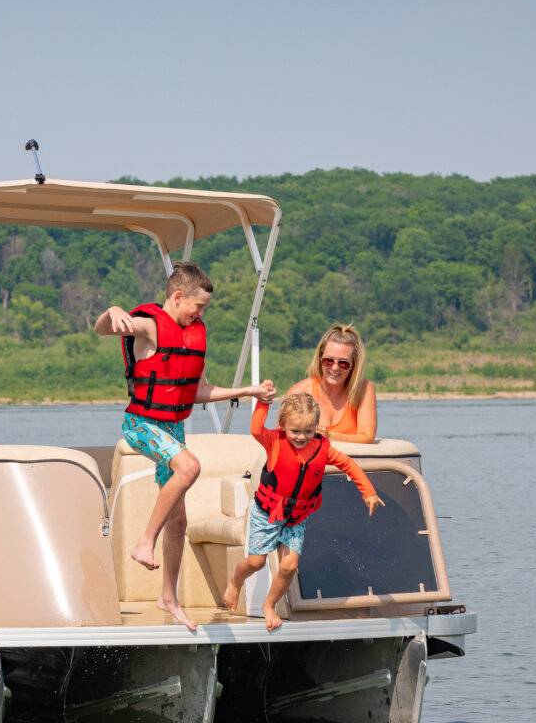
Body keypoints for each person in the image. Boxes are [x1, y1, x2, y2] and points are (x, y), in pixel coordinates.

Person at [95, 262, 274, 631]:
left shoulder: (194, 335)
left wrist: (249, 391)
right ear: (178, 297)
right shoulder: (150, 326)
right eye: (198, 306)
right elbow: (103, 329)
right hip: (142, 424)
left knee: (179, 520)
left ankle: (168, 597)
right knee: (190, 467)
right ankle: (145, 542)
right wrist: (111, 312)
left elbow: (199, 392)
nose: (201, 314)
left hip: (172, 427)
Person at [222, 392, 383, 632]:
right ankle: (235, 583)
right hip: (267, 513)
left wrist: (368, 492)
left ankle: (269, 605)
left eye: (308, 431)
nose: (301, 437)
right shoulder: (274, 441)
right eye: (295, 431)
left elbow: (348, 464)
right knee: (256, 562)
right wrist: (263, 402)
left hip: (296, 518)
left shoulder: (322, 449)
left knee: (289, 566)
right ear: (282, 425)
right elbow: (256, 429)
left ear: (316, 427)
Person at [286, 323, 377, 443]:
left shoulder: (364, 389)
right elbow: (283, 435)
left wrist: (329, 436)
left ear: (353, 365)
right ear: (320, 358)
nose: (335, 368)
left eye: (343, 363)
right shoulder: (299, 391)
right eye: (328, 361)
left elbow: (367, 437)